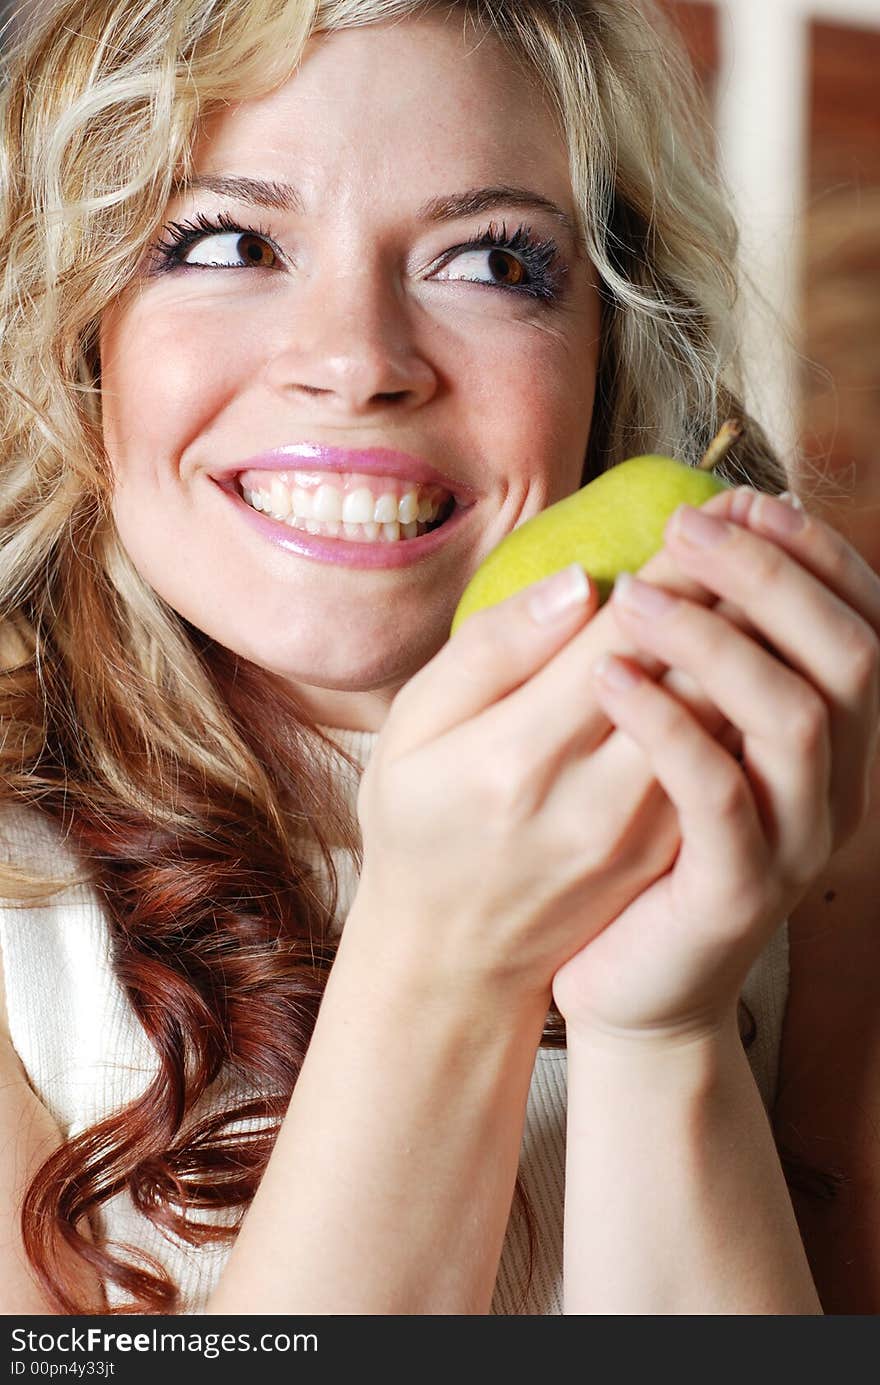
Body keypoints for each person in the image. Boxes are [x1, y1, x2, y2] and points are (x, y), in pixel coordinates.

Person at [0, 0, 877, 1317]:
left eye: (491, 261)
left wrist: (661, 1025)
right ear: (84, 335)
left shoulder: (820, 814)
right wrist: (451, 948)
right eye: (228, 240)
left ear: (611, 344)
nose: (357, 363)